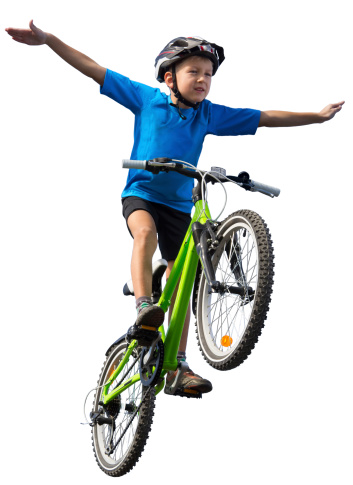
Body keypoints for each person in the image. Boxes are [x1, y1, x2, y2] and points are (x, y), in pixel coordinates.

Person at [5, 21, 344, 397]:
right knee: (145, 234)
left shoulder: (208, 115)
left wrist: (316, 116)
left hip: (179, 207)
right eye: (193, 72)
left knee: (182, 280)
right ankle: (144, 306)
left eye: (208, 75)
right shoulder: (146, 100)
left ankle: (178, 367)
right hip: (142, 195)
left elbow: (263, 117)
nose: (202, 80)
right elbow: (92, 67)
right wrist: (49, 40)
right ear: (170, 77)